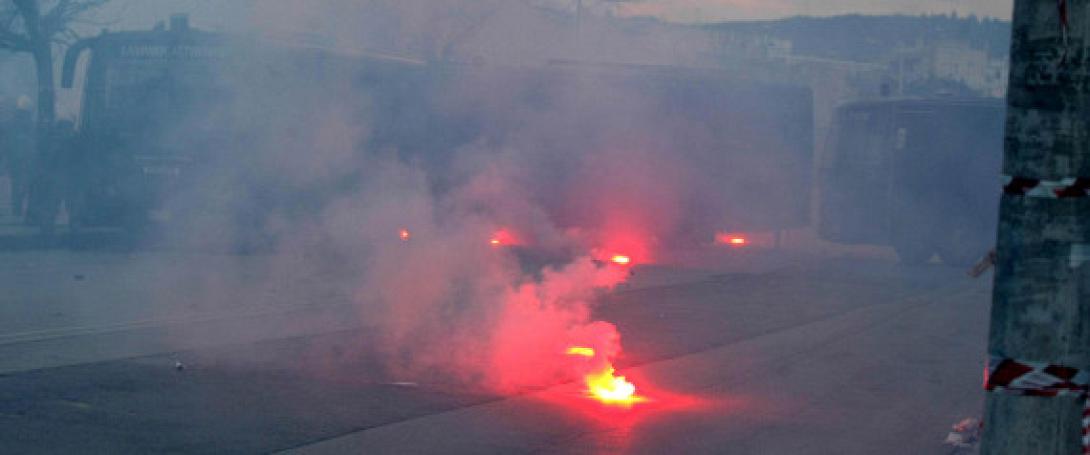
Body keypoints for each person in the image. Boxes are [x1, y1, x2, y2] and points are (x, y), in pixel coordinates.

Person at [6, 96, 34, 218]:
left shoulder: (29, 126)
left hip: (25, 161)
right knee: (18, 186)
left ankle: (18, 209)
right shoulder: (12, 125)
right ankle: (17, 209)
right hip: (18, 162)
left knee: (22, 186)